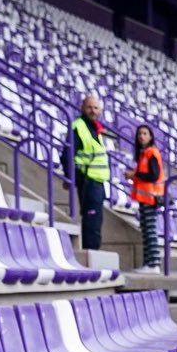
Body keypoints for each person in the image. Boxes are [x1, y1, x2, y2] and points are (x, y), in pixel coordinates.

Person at [68, 94, 108, 252]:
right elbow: (68, 153)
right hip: (87, 180)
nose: (93, 110)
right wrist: (73, 177)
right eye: (89, 107)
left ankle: (94, 251)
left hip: (98, 181)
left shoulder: (95, 128)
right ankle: (90, 253)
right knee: (91, 220)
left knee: (97, 220)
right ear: (82, 108)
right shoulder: (79, 126)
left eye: (96, 108)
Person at [129, 124, 164, 271]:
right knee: (145, 230)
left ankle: (154, 263)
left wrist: (134, 174)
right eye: (139, 134)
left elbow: (153, 175)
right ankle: (148, 263)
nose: (142, 136)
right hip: (143, 198)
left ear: (150, 137)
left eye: (145, 134)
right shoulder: (143, 154)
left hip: (150, 198)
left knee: (150, 231)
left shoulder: (151, 153)